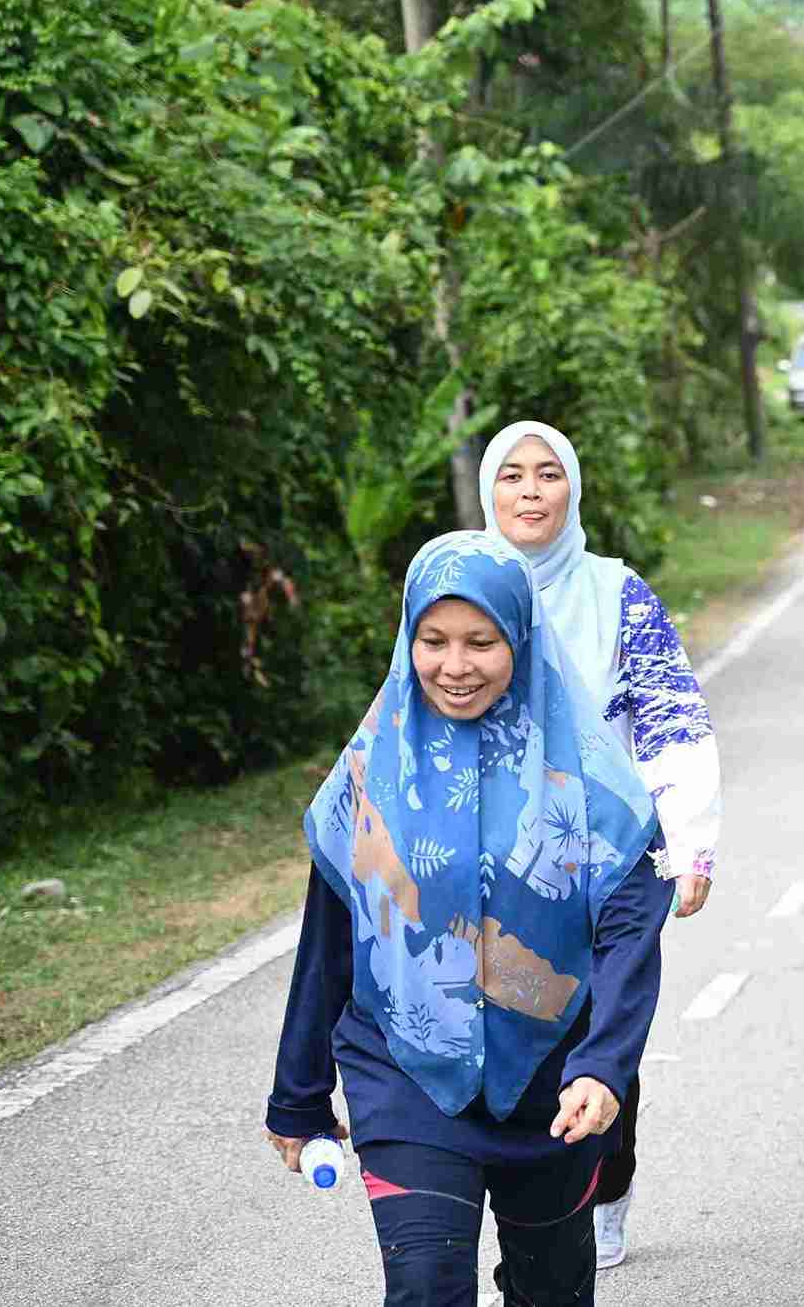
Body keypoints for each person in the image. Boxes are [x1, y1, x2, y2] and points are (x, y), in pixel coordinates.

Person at [266, 531, 671, 1307]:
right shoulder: (367, 770)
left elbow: (628, 943)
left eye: (480, 642)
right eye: (433, 641)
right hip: (407, 1067)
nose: (455, 667)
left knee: (550, 1292)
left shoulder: (596, 787)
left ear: (519, 636)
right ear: (406, 639)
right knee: (423, 1288)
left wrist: (602, 1065)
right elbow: (329, 941)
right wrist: (299, 1094)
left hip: (553, 1085)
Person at [477, 422, 721, 1269]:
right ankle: (525, 1201)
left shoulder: (618, 594)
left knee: (599, 1025)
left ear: (572, 490)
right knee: (509, 1020)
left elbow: (671, 717)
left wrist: (689, 841)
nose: (532, 491)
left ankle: (603, 1186)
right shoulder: (459, 585)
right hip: (491, 862)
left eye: (549, 475)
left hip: (609, 858)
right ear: (490, 492)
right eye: (513, 476)